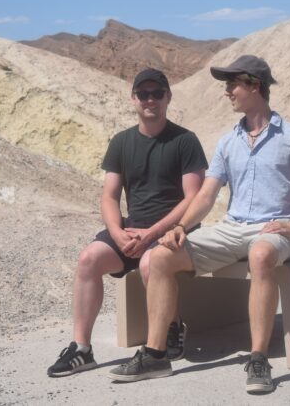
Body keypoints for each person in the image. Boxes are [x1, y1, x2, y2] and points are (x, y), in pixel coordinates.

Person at [108, 55, 290, 394]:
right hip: (232, 228)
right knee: (161, 257)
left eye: (232, 84)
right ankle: (156, 355)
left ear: (254, 86)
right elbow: (205, 195)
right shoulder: (229, 141)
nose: (227, 91)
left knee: (260, 254)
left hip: (276, 230)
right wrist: (181, 226)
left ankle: (258, 359)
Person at [47, 68, 208, 377]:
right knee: (89, 259)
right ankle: (81, 349)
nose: (150, 100)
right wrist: (117, 233)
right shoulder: (121, 142)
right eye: (143, 94)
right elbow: (109, 196)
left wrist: (153, 232)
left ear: (168, 97)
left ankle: (170, 329)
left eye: (157, 93)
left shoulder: (185, 141)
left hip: (173, 232)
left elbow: (193, 198)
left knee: (151, 264)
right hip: (132, 229)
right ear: (133, 98)